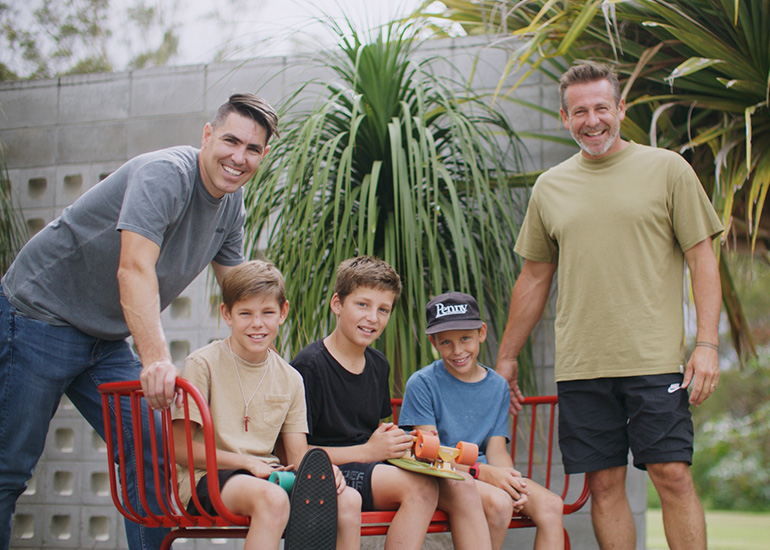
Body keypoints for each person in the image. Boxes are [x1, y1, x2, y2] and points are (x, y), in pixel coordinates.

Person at [0, 93, 277, 550]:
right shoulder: (165, 174)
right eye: (230, 140)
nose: (238, 157)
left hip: (104, 339)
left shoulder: (231, 204)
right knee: (9, 467)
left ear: (262, 156)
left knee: (154, 455)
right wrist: (155, 360)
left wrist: (272, 368)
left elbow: (239, 293)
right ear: (207, 135)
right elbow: (133, 268)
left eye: (252, 149)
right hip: (38, 314)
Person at [496, 62, 723, 550]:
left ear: (620, 109)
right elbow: (534, 277)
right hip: (582, 365)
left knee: (672, 475)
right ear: (565, 117)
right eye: (581, 111)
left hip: (654, 358)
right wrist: (508, 356)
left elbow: (702, 257)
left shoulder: (667, 169)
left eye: (602, 107)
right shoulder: (550, 187)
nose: (592, 120)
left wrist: (707, 343)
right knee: (602, 486)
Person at [291, 256, 492, 550]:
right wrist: (369, 450)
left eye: (383, 309)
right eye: (363, 305)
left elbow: (374, 434)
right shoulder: (309, 366)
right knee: (420, 488)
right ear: (337, 304)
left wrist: (401, 444)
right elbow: (296, 455)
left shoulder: (377, 364)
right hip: (327, 473)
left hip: (371, 466)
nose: (373, 317)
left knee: (462, 486)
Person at [171, 260, 360, 550]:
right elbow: (181, 450)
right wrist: (246, 462)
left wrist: (322, 472)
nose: (257, 324)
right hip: (206, 480)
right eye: (245, 313)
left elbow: (297, 457)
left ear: (282, 312)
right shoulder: (202, 364)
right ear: (227, 314)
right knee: (273, 498)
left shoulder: (291, 378)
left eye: (267, 313)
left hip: (269, 476)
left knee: (348, 499)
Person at [399, 291, 565, 550]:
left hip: (482, 475)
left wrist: (511, 480)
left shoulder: (498, 386)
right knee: (499, 503)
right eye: (446, 343)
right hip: (442, 477)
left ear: (482, 333)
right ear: (434, 342)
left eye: (465, 338)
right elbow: (430, 455)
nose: (458, 351)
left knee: (551, 505)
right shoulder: (422, 383)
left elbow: (497, 449)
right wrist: (487, 474)